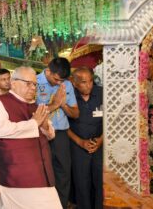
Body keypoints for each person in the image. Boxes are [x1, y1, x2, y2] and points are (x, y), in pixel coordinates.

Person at [0, 66, 62, 209]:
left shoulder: (35, 106)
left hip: (42, 173)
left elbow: (50, 134)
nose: (33, 88)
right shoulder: (1, 102)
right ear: (13, 83)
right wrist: (34, 123)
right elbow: (0, 130)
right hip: (16, 175)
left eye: (35, 84)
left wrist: (45, 126)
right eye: (28, 83)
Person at [36, 57, 79, 209]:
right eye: (56, 79)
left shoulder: (67, 85)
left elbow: (75, 114)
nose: (59, 83)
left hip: (61, 135)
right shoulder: (34, 82)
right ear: (48, 71)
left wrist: (63, 104)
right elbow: (33, 113)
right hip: (40, 134)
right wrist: (55, 104)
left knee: (63, 173)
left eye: (62, 80)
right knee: (41, 173)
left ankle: (60, 205)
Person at [68, 67, 103, 209]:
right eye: (83, 82)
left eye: (90, 81)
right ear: (74, 82)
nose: (88, 85)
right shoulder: (69, 96)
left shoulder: (102, 93)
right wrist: (80, 142)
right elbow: (63, 126)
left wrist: (101, 140)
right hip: (78, 147)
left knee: (100, 182)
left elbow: (113, 121)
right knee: (82, 184)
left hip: (99, 145)